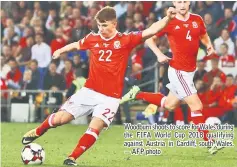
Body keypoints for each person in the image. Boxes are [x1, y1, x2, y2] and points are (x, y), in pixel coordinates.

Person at [22, 6, 177, 166]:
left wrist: (168, 19)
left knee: (95, 127)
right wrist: (60, 50)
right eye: (99, 25)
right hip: (89, 91)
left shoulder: (125, 40)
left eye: (105, 25)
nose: (101, 29)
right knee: (61, 119)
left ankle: (72, 157)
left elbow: (150, 31)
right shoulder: (92, 38)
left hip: (110, 98)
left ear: (114, 24)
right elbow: (76, 44)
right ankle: (38, 131)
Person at [120, 1, 223, 155]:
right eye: (179, 1)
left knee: (169, 105)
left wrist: (208, 45)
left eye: (185, 1)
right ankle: (210, 143)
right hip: (178, 71)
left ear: (189, 3)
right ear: (174, 3)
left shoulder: (197, 19)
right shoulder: (169, 21)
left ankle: (137, 94)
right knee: (197, 106)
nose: (182, 4)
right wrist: (159, 54)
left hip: (189, 71)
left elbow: (203, 34)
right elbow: (148, 38)